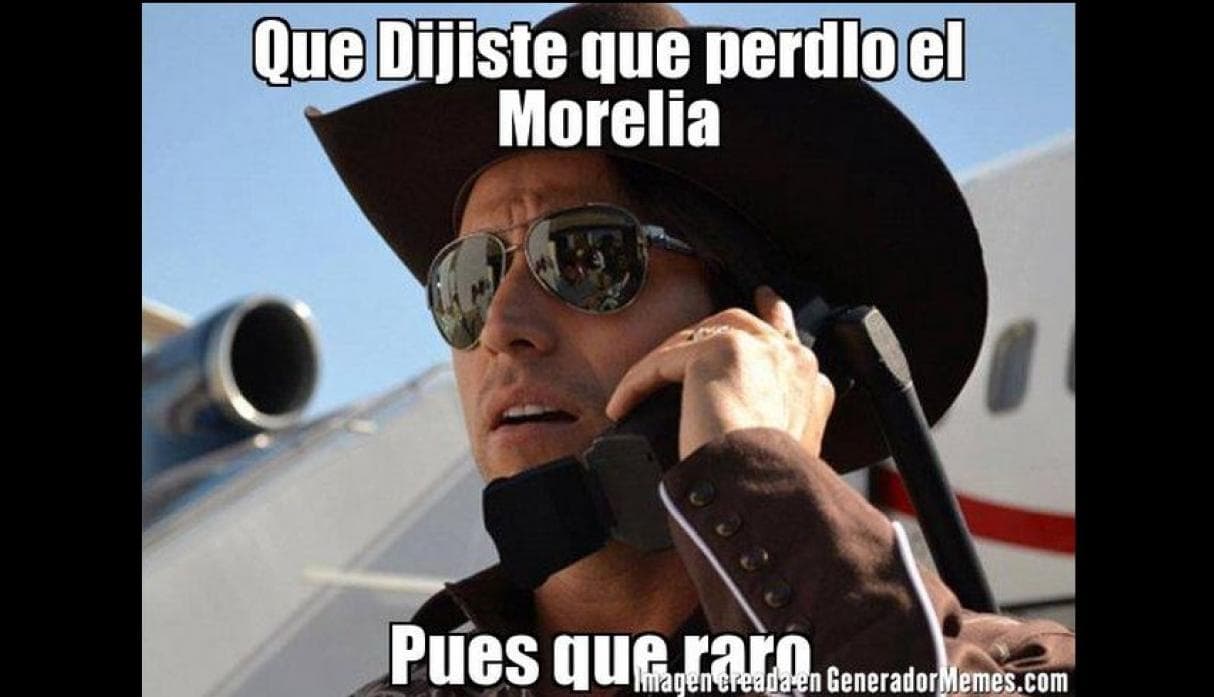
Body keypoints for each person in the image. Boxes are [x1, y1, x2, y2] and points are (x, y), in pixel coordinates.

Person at [306, 4, 1075, 695]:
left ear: (758, 332)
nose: (501, 322)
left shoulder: (1021, 666)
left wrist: (761, 488)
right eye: (467, 279)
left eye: (583, 257)